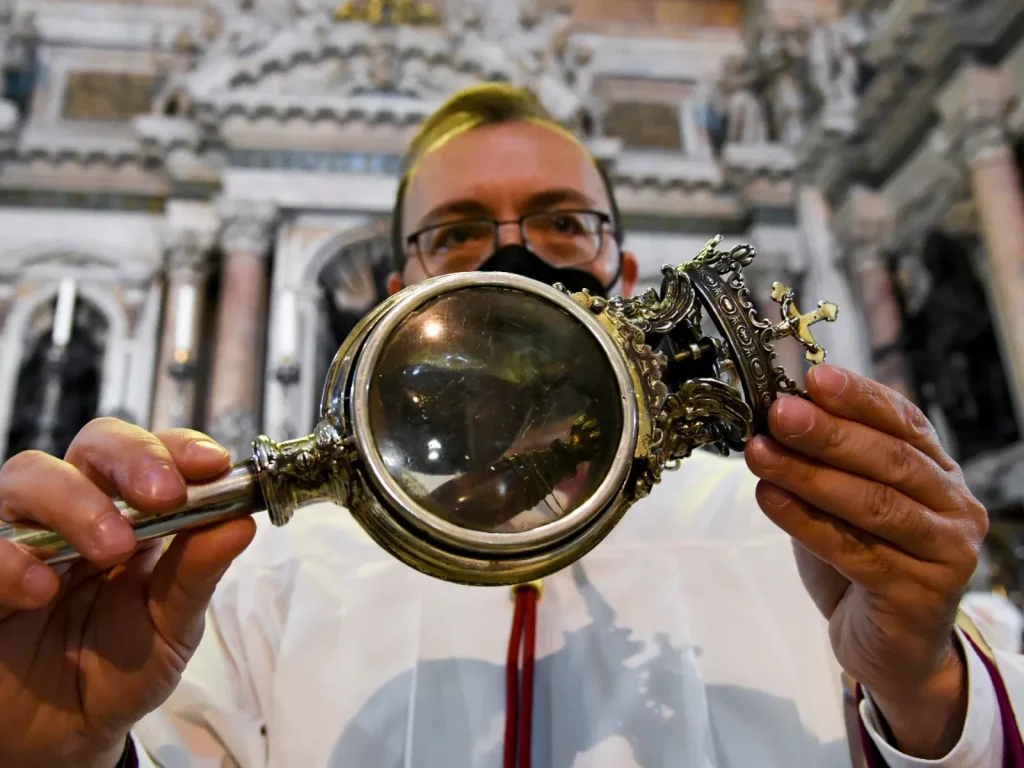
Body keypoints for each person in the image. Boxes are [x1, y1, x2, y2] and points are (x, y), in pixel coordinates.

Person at [0, 84, 1020, 768]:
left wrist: (926, 690)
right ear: (397, 291)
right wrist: (71, 748)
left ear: (622, 272)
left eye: (562, 221)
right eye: (457, 233)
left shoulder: (795, 535)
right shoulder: (266, 575)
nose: (515, 255)